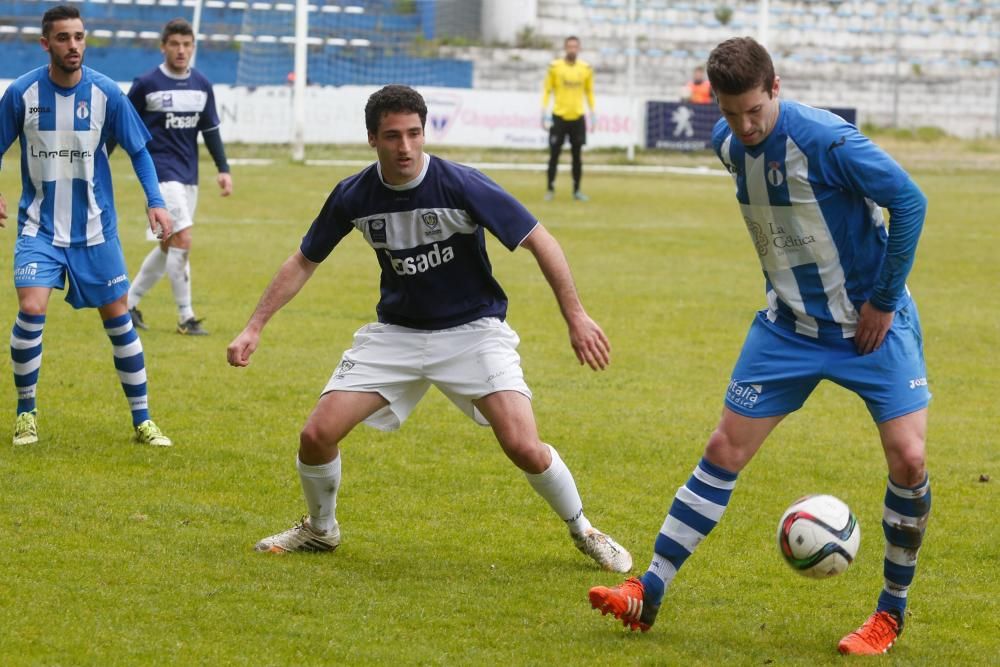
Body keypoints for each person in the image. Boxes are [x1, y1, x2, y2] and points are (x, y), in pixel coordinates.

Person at [588, 37, 931, 657]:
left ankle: (889, 614)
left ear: (776, 88)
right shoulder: (727, 145)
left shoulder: (827, 141)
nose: (744, 127)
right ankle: (649, 590)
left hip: (870, 326)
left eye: (754, 111)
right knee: (723, 446)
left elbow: (909, 201)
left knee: (908, 460)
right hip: (787, 329)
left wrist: (882, 300)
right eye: (729, 113)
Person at [227, 85, 631, 572]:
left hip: (473, 332)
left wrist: (576, 315)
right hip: (396, 334)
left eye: (415, 134)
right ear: (371, 139)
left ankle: (583, 528)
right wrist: (254, 326)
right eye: (393, 136)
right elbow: (303, 261)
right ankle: (320, 529)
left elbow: (540, 240)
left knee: (524, 445)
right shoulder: (354, 195)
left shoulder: (462, 184)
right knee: (316, 435)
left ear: (425, 132)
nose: (406, 147)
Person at [0, 5, 174, 446]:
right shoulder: (21, 94)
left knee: (117, 318)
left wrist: (155, 202)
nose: (73, 45)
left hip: (95, 231)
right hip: (38, 227)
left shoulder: (107, 94)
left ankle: (142, 420)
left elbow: (138, 151)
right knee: (33, 308)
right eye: (63, 38)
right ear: (46, 44)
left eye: (79, 37)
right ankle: (26, 413)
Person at [123, 18, 233, 336]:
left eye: (187, 44)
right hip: (159, 174)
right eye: (175, 44)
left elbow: (211, 132)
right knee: (183, 239)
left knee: (168, 245)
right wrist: (100, 158)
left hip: (188, 175)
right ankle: (185, 316)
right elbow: (123, 124)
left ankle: (127, 305)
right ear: (163, 47)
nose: (181, 50)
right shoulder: (145, 84)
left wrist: (223, 169)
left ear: (193, 47)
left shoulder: (201, 85)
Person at [540, 36, 595, 202]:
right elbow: (547, 90)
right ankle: (550, 188)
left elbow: (589, 92)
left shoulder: (585, 68)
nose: (572, 49)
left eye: (575, 47)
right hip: (559, 117)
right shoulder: (555, 68)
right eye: (569, 46)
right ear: (565, 48)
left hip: (577, 117)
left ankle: (577, 190)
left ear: (578, 48)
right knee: (554, 154)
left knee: (577, 156)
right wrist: (544, 111)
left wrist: (593, 113)